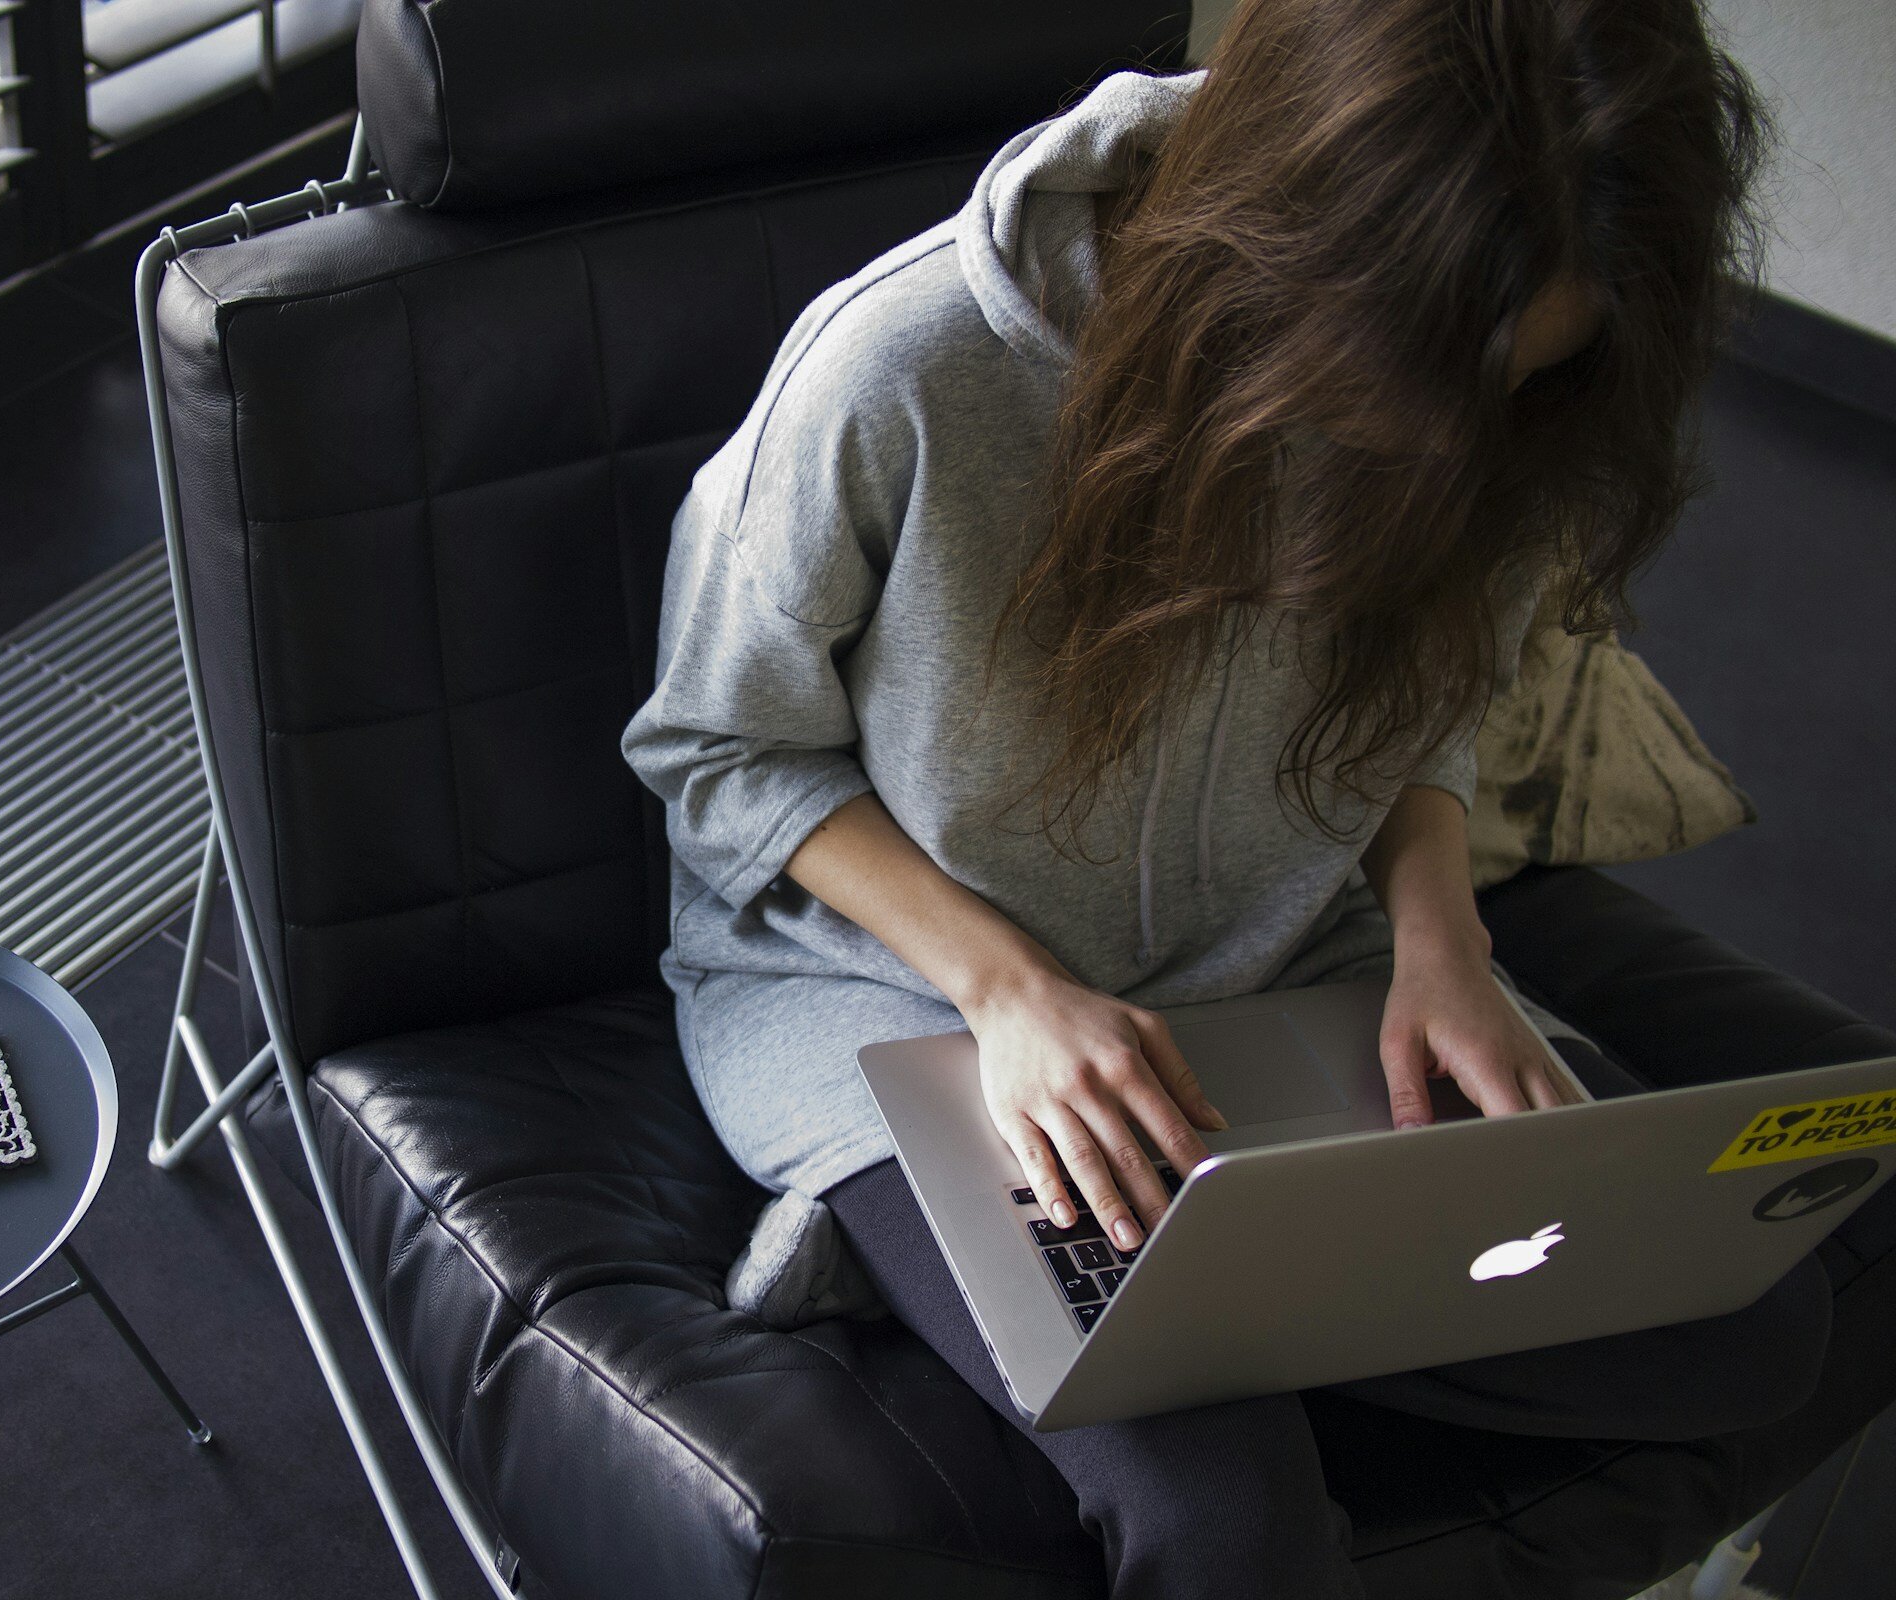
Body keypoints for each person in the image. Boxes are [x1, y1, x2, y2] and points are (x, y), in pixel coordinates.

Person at [621, 2, 1834, 1594]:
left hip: (1283, 961)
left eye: (1518, 387)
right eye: (1414, 385)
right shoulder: (898, 370)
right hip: (899, 997)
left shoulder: (1516, 382)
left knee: (1754, 1324)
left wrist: (1438, 934)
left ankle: (1160, 1303)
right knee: (1224, 1524)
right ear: (1297, 249)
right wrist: (1014, 994)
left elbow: (1431, 696)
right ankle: (933, 1238)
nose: (1454, 446)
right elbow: (713, 751)